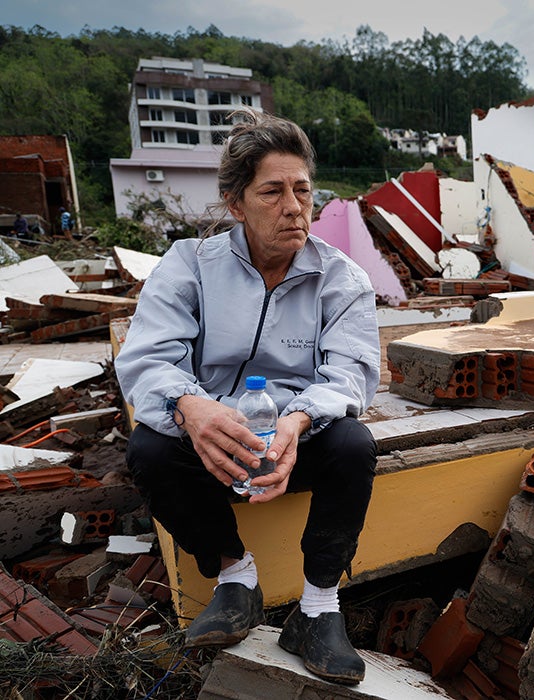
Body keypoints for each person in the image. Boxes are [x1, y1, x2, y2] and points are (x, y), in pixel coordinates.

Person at [114, 109, 381, 686]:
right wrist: (192, 407)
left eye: (303, 190)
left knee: (353, 445)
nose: (294, 207)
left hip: (292, 439)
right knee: (150, 451)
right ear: (236, 204)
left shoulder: (342, 280)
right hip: (213, 440)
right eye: (272, 191)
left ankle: (317, 609)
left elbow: (351, 375)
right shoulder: (191, 265)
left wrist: (300, 418)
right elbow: (146, 360)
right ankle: (237, 577)